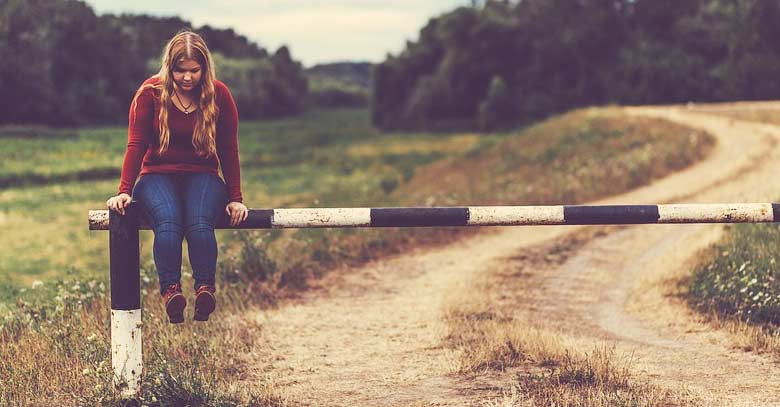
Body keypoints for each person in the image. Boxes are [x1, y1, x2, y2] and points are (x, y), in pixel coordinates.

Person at [106, 30, 248, 323]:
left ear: (205, 68)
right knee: (168, 221)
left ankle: (205, 290)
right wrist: (124, 190)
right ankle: (171, 293)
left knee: (198, 222)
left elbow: (229, 149)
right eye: (180, 70)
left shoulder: (219, 94)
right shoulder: (150, 93)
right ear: (169, 67)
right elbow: (136, 144)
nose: (187, 77)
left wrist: (236, 198)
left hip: (203, 174)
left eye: (194, 71)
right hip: (157, 174)